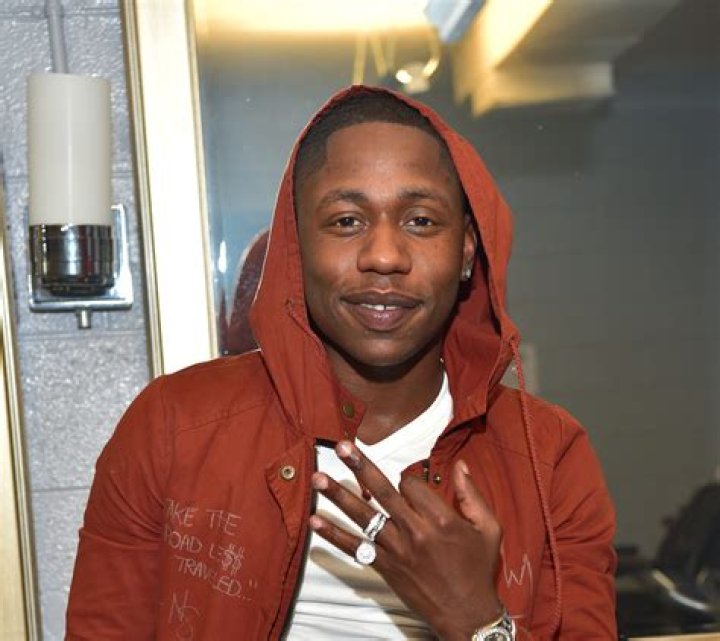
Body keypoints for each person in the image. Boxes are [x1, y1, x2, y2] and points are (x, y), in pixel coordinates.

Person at [65, 86, 616, 640]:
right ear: (296, 246)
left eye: (421, 221)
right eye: (347, 221)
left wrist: (477, 622)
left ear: (467, 250)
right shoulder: (174, 427)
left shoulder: (548, 456)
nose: (384, 256)